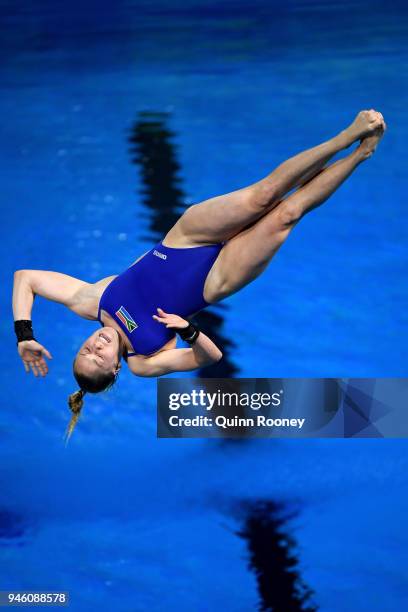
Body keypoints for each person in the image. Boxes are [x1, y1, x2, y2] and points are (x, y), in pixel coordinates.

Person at [12, 110, 386, 440]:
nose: (95, 346)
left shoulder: (92, 302)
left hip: (184, 238)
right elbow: (208, 357)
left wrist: (24, 335)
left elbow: (25, 277)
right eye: (98, 358)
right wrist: (187, 331)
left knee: (264, 194)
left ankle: (347, 135)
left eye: (85, 350)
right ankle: (360, 154)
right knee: (286, 215)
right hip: (216, 281)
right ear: (114, 369)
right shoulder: (143, 361)